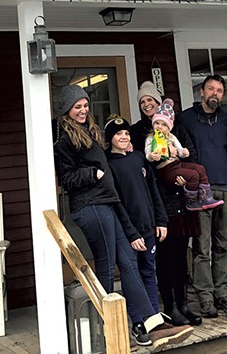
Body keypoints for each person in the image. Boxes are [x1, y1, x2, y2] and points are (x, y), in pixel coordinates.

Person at [54, 84, 193, 348]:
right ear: (67, 110)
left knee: (128, 264)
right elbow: (68, 179)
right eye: (77, 107)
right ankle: (106, 332)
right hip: (90, 206)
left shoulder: (87, 132)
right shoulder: (65, 140)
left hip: (105, 203)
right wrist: (94, 173)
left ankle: (152, 324)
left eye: (85, 105)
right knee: (107, 267)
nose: (83, 110)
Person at [130, 82, 202, 327]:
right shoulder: (139, 132)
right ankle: (169, 305)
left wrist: (184, 170)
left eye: (151, 100)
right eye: (143, 102)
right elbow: (140, 166)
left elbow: (190, 152)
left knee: (182, 254)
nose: (147, 104)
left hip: (181, 199)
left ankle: (184, 304)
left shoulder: (176, 126)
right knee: (164, 256)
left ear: (158, 101)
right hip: (159, 201)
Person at [179, 74, 227, 318]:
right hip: (200, 190)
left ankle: (222, 292)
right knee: (202, 247)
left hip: (226, 185)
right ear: (201, 92)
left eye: (219, 90)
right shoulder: (185, 119)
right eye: (211, 89)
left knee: (224, 245)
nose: (215, 93)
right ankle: (205, 297)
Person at [105, 114, 168, 324]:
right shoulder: (109, 165)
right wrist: (131, 233)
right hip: (129, 232)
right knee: (132, 276)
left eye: (126, 133)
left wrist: (161, 220)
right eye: (118, 134)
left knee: (149, 271)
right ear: (110, 138)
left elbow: (153, 190)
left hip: (149, 227)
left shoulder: (139, 157)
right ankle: (138, 321)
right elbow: (117, 202)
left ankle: (154, 318)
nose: (123, 137)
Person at [145, 98, 224, 212]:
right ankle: (192, 201)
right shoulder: (151, 138)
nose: (159, 127)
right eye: (157, 123)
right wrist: (152, 156)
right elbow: (147, 154)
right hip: (166, 169)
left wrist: (183, 152)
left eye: (164, 124)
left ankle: (206, 197)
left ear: (169, 127)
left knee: (200, 169)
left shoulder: (172, 137)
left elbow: (180, 150)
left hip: (177, 164)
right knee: (193, 175)